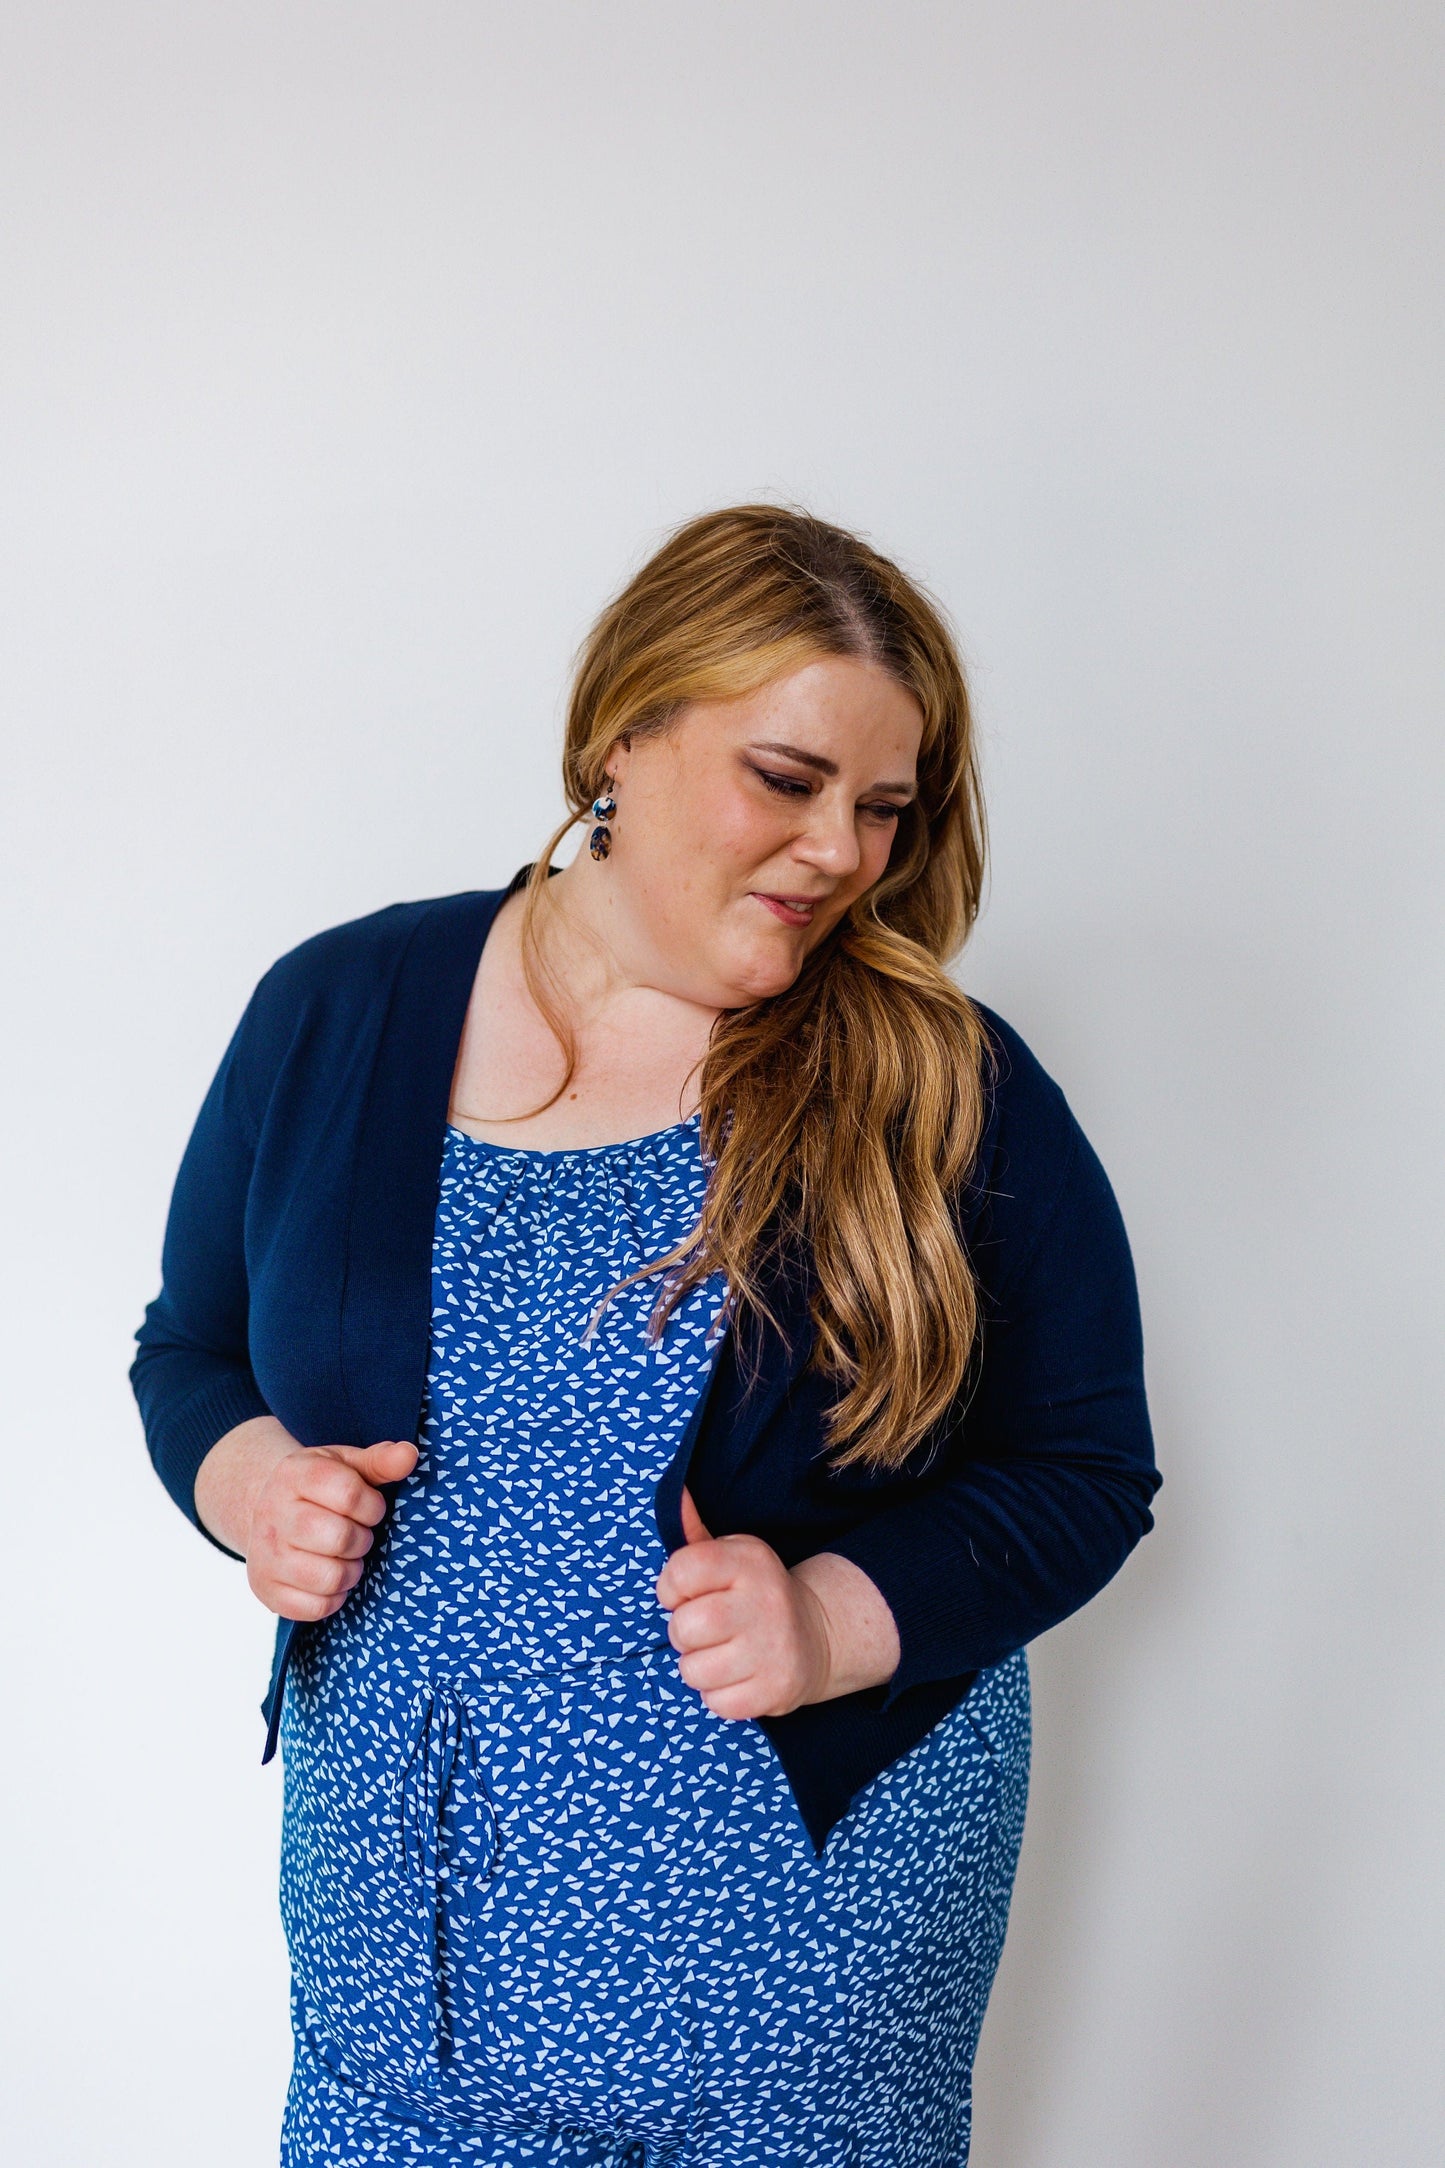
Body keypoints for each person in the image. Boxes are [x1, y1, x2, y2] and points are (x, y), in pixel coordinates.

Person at [131, 504, 1161, 2167]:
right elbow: (186, 1347)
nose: (839, 849)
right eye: (786, 778)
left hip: (811, 1942)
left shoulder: (938, 1076)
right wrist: (250, 1481)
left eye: (883, 809)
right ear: (624, 731)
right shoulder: (336, 1008)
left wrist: (835, 1615)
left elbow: (1087, 1465)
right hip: (411, 1941)